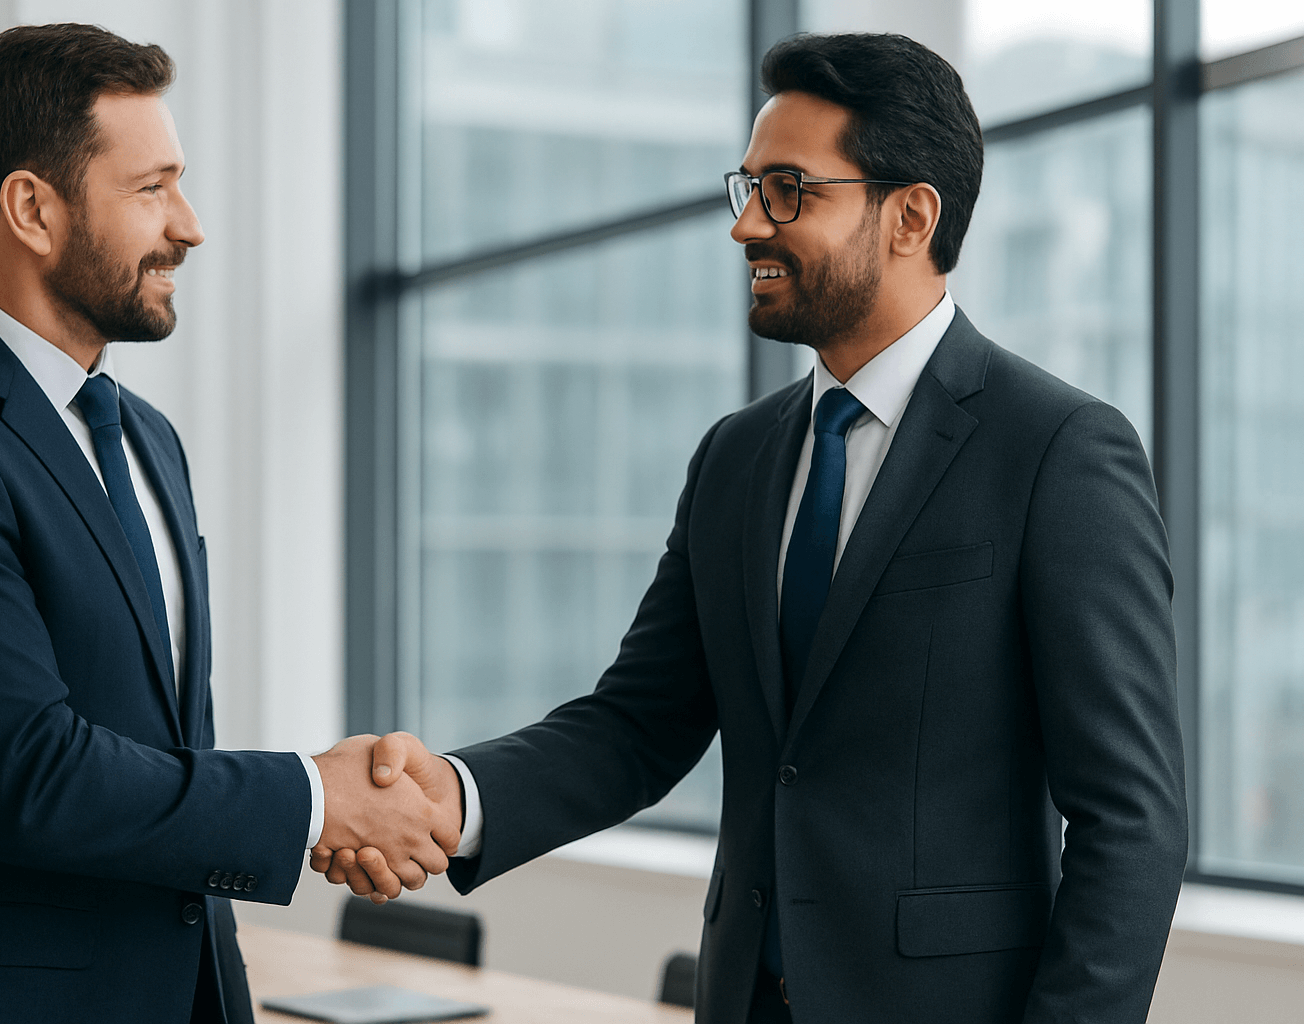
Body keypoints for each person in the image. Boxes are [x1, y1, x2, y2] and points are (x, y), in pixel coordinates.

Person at [314, 32, 1188, 1024]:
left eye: (788, 191)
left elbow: (1134, 819)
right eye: (749, 188)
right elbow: (637, 726)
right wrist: (448, 797)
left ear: (910, 215)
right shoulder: (736, 458)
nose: (747, 228)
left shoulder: (1057, 449)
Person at [0, 24, 456, 1024]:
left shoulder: (146, 438)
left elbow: (162, 746)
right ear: (32, 208)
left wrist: (315, 820)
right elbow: (34, 776)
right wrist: (316, 802)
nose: (190, 225)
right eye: (151, 188)